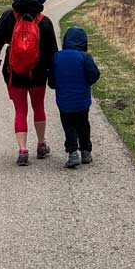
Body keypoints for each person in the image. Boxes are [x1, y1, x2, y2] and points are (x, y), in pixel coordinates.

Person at [0, 0, 59, 166]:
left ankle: (23, 150)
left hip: (14, 72)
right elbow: (53, 53)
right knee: (39, 107)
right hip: (38, 72)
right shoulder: (44, 22)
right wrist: (53, 74)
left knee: (20, 110)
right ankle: (41, 144)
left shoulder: (8, 17)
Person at [48, 26, 101, 169]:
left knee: (69, 125)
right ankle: (86, 151)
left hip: (64, 100)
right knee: (83, 124)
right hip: (82, 99)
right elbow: (94, 76)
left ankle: (72, 152)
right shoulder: (85, 57)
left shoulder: (57, 57)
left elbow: (51, 81)